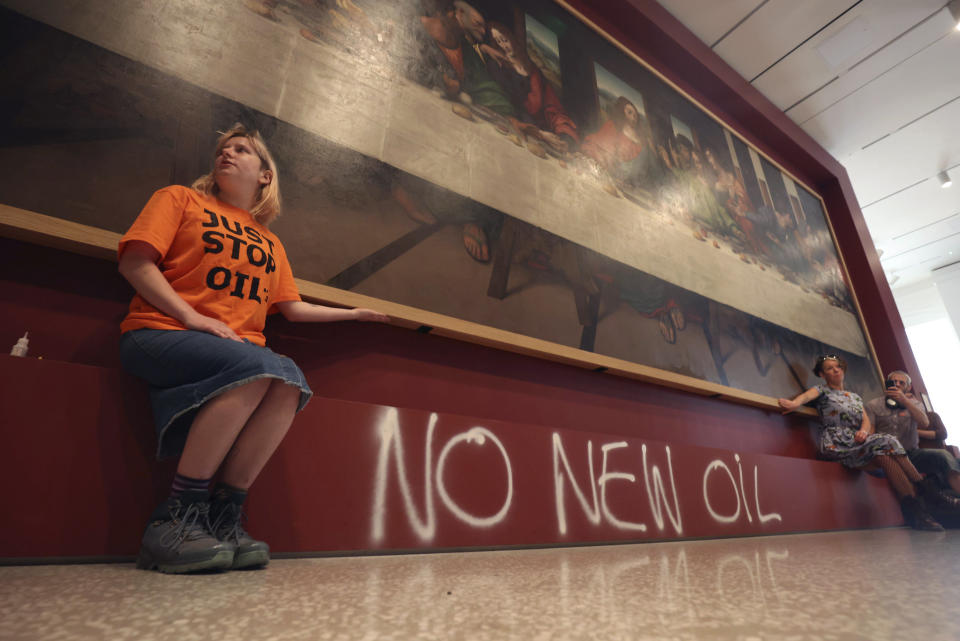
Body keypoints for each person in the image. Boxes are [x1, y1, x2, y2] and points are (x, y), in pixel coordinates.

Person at [118, 124, 389, 573]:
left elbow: (293, 309)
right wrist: (191, 316)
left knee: (288, 380)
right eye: (223, 149)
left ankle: (223, 518)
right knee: (258, 367)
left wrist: (353, 314)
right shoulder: (180, 199)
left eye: (242, 150)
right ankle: (176, 517)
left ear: (265, 175)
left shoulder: (270, 242)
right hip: (160, 333)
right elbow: (135, 262)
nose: (227, 153)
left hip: (236, 354)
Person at [778, 355, 945, 531]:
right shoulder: (821, 390)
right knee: (887, 439)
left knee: (883, 454)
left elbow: (865, 421)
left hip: (857, 441)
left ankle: (918, 514)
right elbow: (802, 399)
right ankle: (929, 492)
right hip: (837, 443)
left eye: (838, 367)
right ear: (821, 374)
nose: (835, 370)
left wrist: (864, 431)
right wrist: (792, 403)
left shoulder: (855, 397)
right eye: (829, 368)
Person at [866, 371, 960, 499]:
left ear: (908, 387)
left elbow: (925, 422)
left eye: (901, 382)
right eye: (894, 382)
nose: (897, 384)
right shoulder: (873, 405)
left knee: (944, 455)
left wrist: (904, 401)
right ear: (887, 384)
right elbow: (870, 431)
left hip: (912, 454)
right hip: (888, 456)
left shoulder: (916, 404)